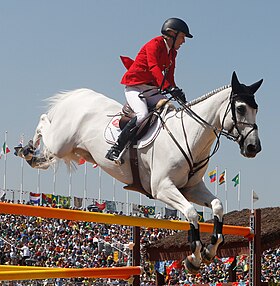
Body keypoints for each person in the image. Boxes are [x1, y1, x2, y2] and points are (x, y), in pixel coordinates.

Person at [106, 17, 193, 161]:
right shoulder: (154, 44)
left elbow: (169, 75)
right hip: (135, 87)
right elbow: (154, 68)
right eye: (182, 37)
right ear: (172, 33)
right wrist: (168, 88)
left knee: (170, 110)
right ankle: (116, 148)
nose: (183, 41)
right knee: (142, 114)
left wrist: (176, 91)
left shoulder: (172, 53)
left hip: (151, 90)